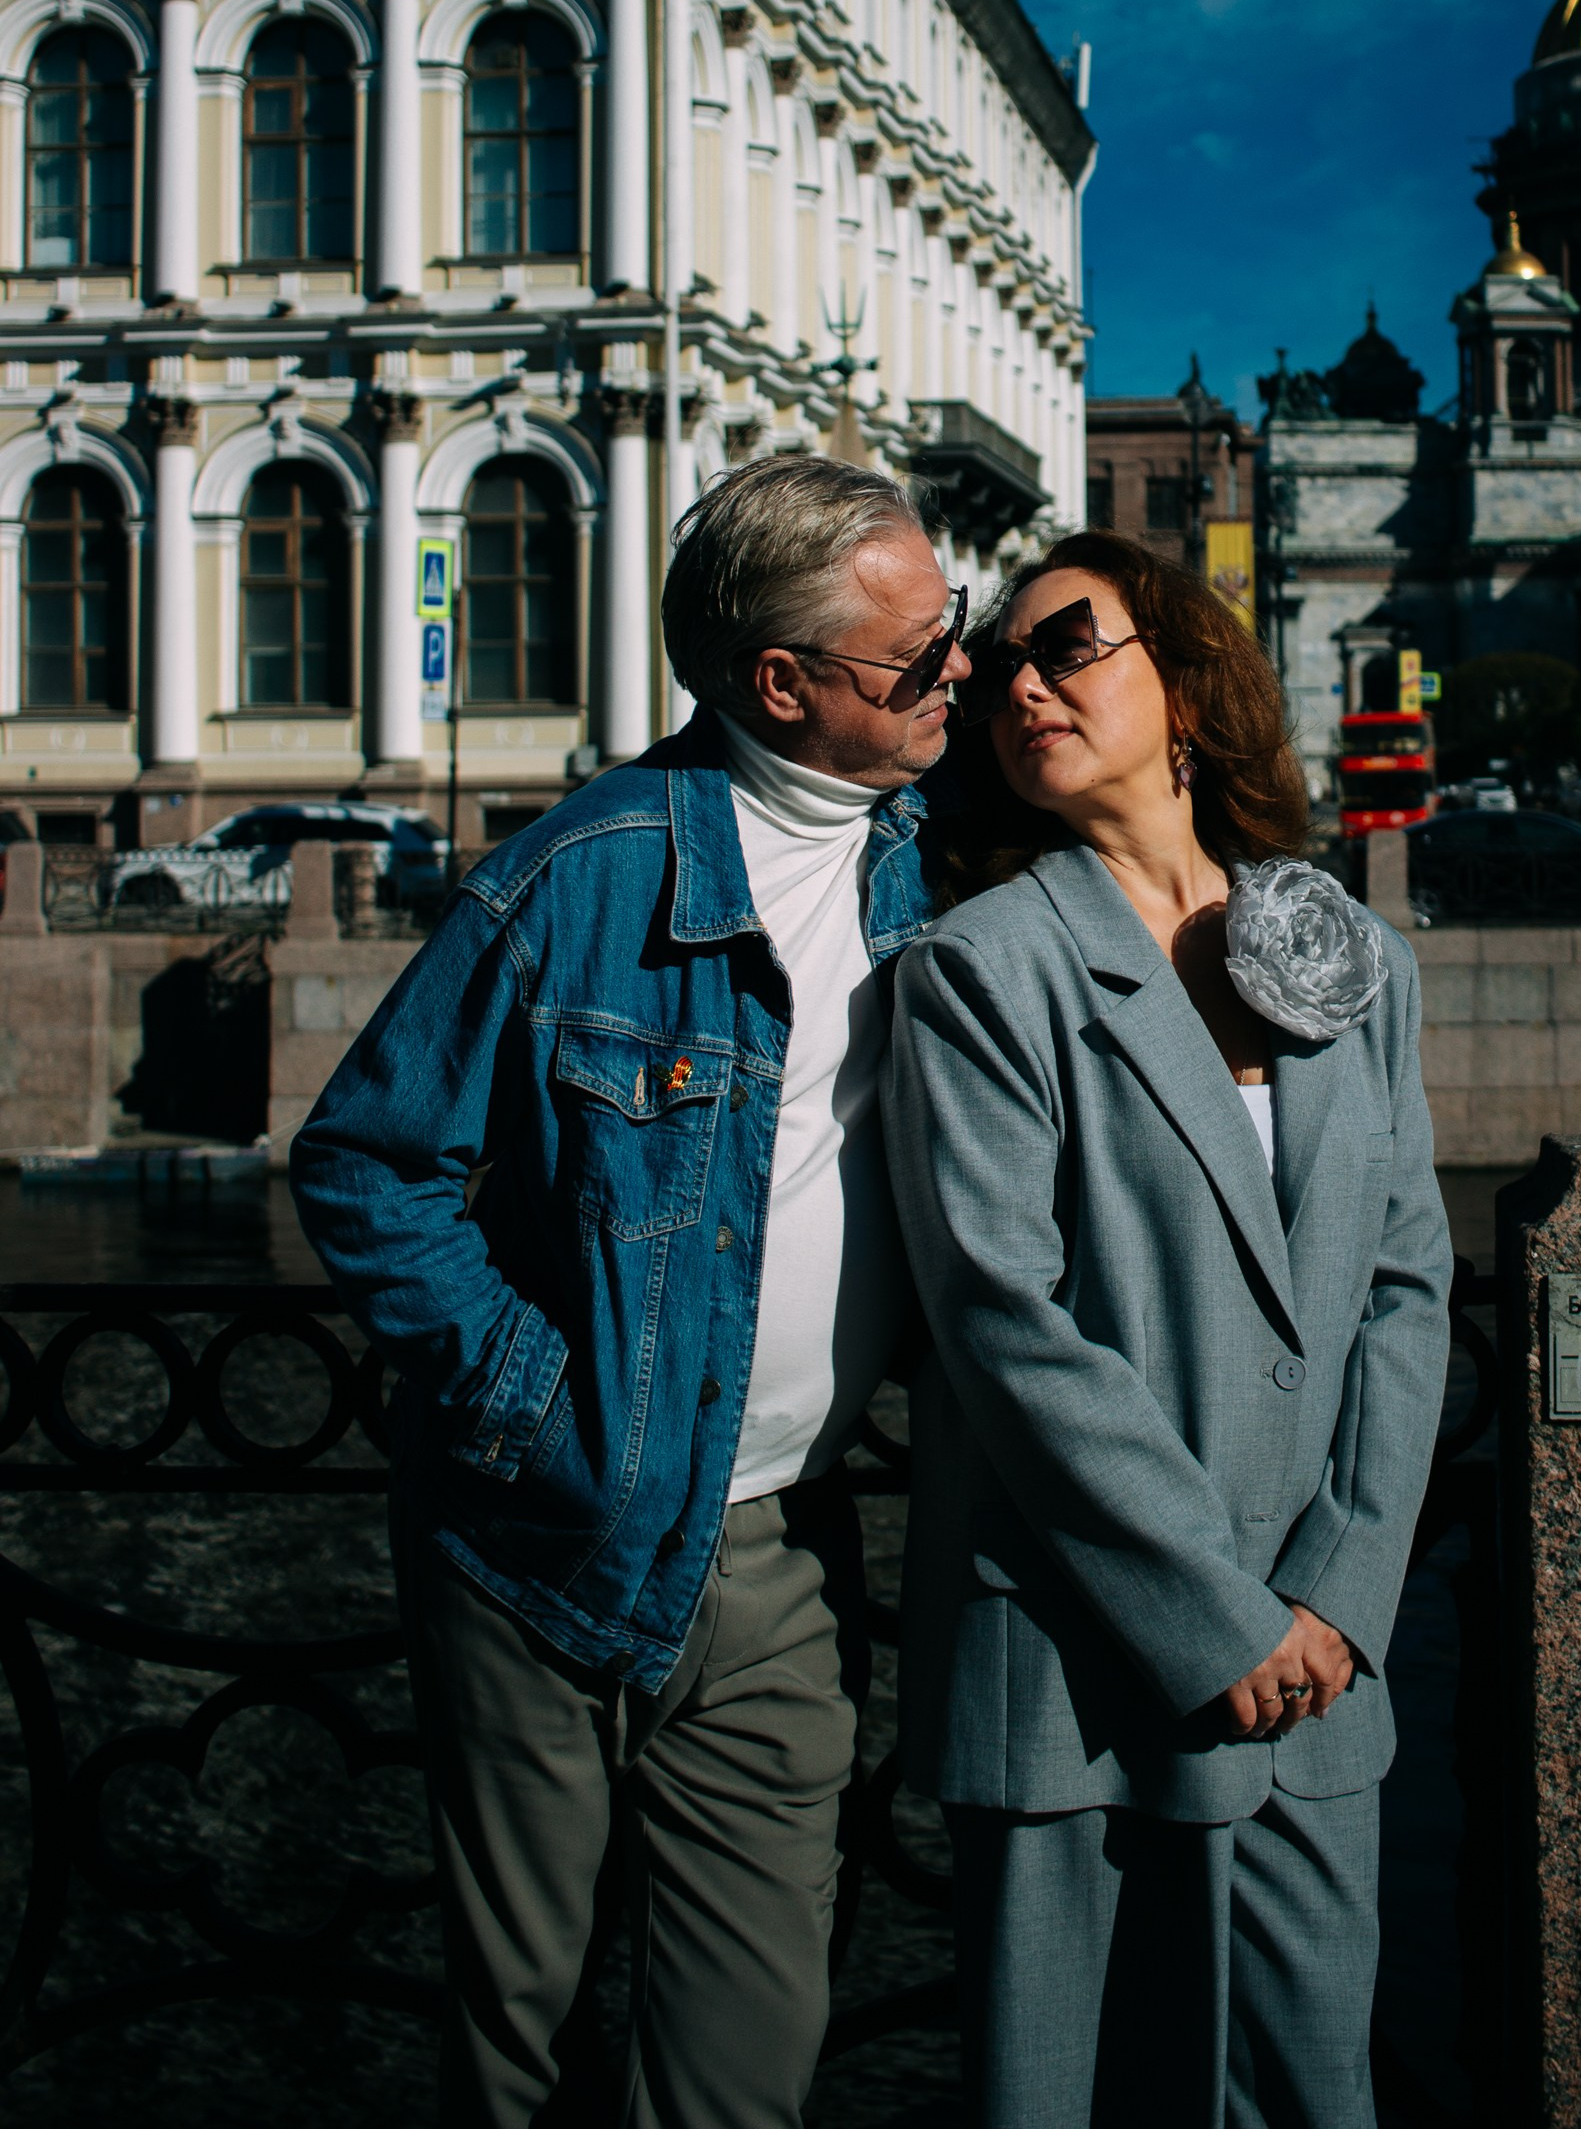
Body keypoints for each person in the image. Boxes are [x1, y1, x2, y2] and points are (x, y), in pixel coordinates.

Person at [289, 454, 970, 2129]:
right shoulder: (581, 878)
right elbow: (366, 1167)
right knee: (517, 2048)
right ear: (782, 682)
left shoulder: (936, 861)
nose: (958, 676)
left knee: (747, 2058)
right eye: (918, 661)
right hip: (542, 1546)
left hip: (782, 1557)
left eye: (954, 636)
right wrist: (536, 1399)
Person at [885, 531, 1453, 2129]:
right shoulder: (983, 973)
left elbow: (1407, 1291)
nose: (1019, 682)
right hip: (1084, 1682)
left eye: (1066, 641)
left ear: (1185, 684)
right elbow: (1006, 1325)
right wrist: (1224, 1623)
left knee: (1308, 2098)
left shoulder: (1352, 962)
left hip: (1316, 1696)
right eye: (997, 667)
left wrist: (1338, 1598)